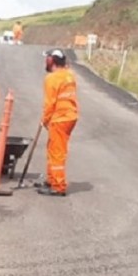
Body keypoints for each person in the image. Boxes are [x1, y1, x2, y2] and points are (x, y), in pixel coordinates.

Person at [36, 49, 79, 196]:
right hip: (70, 116)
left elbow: (50, 103)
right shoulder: (70, 75)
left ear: (51, 61)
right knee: (53, 147)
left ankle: (58, 185)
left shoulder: (51, 78)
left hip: (60, 118)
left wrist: (44, 120)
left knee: (57, 152)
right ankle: (51, 179)